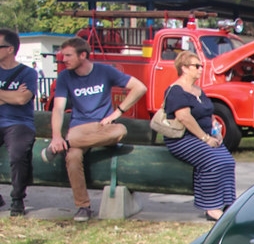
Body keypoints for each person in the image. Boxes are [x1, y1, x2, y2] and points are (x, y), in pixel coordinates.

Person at [45, 36, 147, 222]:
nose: (63, 59)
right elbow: (58, 109)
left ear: (82, 55)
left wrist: (117, 113)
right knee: (73, 156)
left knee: (121, 130)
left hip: (103, 127)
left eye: (68, 55)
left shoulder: (104, 70)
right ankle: (83, 207)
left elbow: (139, 87)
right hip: (79, 128)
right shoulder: (64, 77)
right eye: (63, 55)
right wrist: (56, 136)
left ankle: (66, 144)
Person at [162, 50, 235, 221]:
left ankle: (228, 203)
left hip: (206, 135)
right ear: (184, 68)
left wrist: (215, 125)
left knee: (228, 161)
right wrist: (205, 138)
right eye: (197, 66)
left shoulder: (198, 90)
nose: (201, 69)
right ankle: (211, 207)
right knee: (212, 161)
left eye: (201, 66)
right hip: (183, 138)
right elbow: (184, 117)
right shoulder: (176, 90)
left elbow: (207, 111)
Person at [0, 28, 37, 217]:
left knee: (17, 155)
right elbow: (16, 97)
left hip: (19, 123)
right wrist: (12, 96)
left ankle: (17, 199)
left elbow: (22, 100)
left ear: (10, 49)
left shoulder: (28, 73)